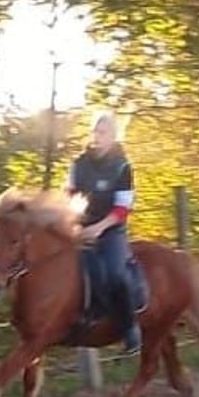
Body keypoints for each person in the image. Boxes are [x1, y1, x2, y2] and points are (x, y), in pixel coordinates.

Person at [65, 111, 142, 355]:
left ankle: (129, 328)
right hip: (80, 228)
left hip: (110, 230)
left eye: (104, 133)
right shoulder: (78, 164)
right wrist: (75, 224)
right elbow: (70, 197)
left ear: (113, 137)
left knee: (115, 273)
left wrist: (98, 228)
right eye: (95, 132)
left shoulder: (122, 167)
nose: (98, 137)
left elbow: (122, 209)